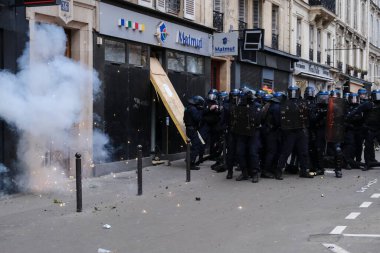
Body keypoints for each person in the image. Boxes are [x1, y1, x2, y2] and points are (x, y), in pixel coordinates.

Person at [276, 84, 314, 179]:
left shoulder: (303, 103)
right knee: (286, 152)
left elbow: (308, 116)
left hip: (301, 130)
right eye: (291, 92)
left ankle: (304, 171)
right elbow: (281, 119)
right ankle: (279, 171)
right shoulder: (284, 104)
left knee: (304, 152)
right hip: (290, 131)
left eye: (294, 92)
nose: (293, 94)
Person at [232, 89, 262, 183]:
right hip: (241, 133)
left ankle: (254, 173)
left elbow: (258, 120)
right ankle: (244, 172)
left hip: (253, 132)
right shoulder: (238, 106)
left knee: (253, 153)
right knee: (240, 152)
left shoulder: (256, 106)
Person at [347, 89, 380, 171]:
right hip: (369, 129)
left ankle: (370, 161)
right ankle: (367, 163)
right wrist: (347, 117)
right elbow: (357, 110)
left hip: (378, 129)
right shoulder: (368, 104)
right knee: (368, 147)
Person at [261, 92, 282, 179]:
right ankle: (266, 171)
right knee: (272, 152)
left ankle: (269, 168)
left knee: (270, 151)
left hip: (267, 131)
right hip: (272, 132)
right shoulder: (276, 107)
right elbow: (277, 121)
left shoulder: (269, 105)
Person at [183, 95, 205, 170]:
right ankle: (191, 163)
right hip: (192, 129)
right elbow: (197, 118)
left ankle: (188, 160)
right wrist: (201, 111)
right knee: (196, 146)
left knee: (193, 146)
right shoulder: (193, 109)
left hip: (189, 129)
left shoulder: (187, 108)